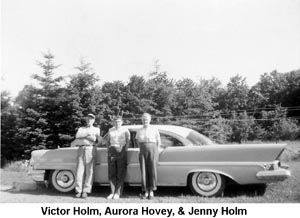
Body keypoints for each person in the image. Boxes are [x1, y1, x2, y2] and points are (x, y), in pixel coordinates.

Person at [74, 113, 101, 199]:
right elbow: (77, 136)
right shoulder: (81, 128)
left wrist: (84, 136)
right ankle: (78, 190)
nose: (89, 120)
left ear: (94, 120)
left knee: (90, 171)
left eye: (91, 119)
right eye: (88, 119)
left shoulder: (97, 129)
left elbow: (95, 139)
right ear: (86, 120)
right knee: (79, 170)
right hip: (81, 148)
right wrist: (87, 135)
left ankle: (86, 190)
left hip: (90, 149)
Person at [135, 113, 161, 199]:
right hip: (142, 149)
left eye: (147, 118)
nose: (145, 120)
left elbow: (158, 141)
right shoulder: (139, 130)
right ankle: (146, 190)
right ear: (142, 120)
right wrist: (140, 150)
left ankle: (152, 190)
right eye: (143, 119)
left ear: (150, 119)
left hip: (152, 149)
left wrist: (156, 151)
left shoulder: (154, 129)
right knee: (144, 170)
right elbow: (138, 141)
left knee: (152, 169)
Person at [106, 115, 130, 200]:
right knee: (112, 172)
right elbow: (107, 141)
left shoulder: (125, 130)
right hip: (112, 149)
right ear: (113, 122)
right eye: (115, 121)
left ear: (122, 122)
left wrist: (124, 150)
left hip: (121, 149)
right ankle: (112, 192)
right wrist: (109, 149)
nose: (117, 123)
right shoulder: (110, 130)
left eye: (119, 121)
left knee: (120, 172)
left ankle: (117, 193)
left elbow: (128, 141)